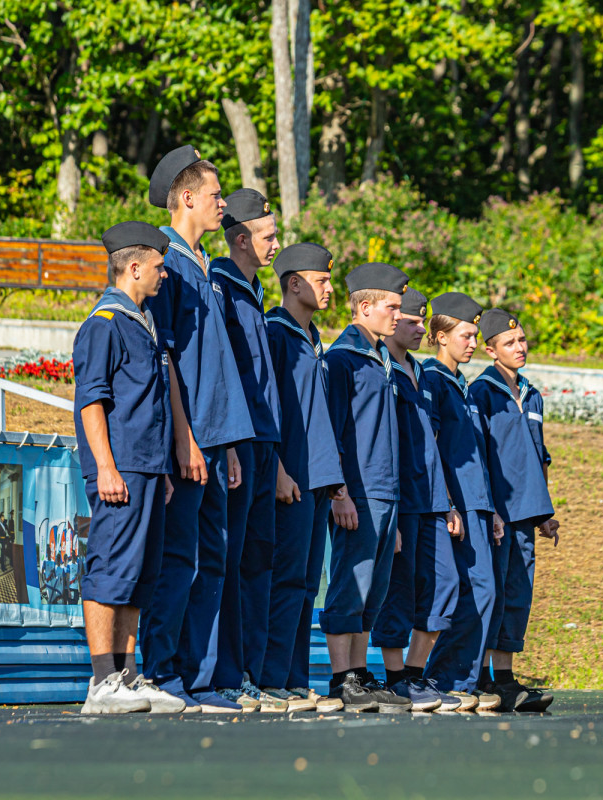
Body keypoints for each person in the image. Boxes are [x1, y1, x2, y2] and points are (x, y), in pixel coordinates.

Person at [140, 145, 254, 714]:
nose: (222, 203)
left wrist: (228, 443)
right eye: (215, 195)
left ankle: (201, 679)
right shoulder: (169, 263)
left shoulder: (204, 264)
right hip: (187, 445)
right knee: (178, 559)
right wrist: (185, 439)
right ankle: (162, 674)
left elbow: (216, 368)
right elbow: (167, 361)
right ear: (186, 198)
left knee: (212, 559)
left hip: (215, 441)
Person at [73, 220, 182, 714]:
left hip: (146, 469)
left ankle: (127, 674)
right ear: (134, 267)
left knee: (139, 575)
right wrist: (107, 467)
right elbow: (91, 403)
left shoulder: (143, 323)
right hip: (119, 469)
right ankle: (101, 681)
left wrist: (159, 472)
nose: (164, 276)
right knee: (110, 570)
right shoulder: (105, 324)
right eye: (159, 267)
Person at [322, 262, 413, 713]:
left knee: (372, 591)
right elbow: (332, 429)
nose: (398, 315)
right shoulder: (342, 358)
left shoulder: (379, 359)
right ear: (363, 307)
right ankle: (341, 678)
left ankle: (358, 674)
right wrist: (340, 493)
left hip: (385, 491)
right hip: (358, 491)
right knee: (350, 584)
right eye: (391, 307)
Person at [208, 189, 285, 713]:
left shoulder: (253, 291)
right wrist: (234, 443)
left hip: (262, 444)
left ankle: (251, 672)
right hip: (237, 443)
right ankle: (225, 673)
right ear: (240, 239)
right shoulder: (220, 285)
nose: (277, 244)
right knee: (229, 562)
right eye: (268, 236)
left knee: (258, 561)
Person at [371, 288, 465, 713]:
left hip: (430, 498)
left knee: (445, 584)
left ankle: (414, 673)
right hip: (399, 496)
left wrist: (446, 501)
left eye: (421, 319)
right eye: (410, 319)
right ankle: (396, 679)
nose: (418, 327)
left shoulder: (422, 373)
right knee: (399, 590)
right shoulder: (383, 368)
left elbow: (434, 444)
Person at [261, 243, 345, 713]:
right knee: (285, 578)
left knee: (306, 584)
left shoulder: (310, 338)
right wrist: (277, 469)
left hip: (316, 481)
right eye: (322, 280)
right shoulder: (276, 333)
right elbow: (267, 410)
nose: (330, 288)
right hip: (290, 477)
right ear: (294, 283)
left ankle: (293, 679)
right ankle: (273, 679)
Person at [471, 309, 560, 712]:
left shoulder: (532, 392)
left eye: (522, 340)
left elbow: (538, 457)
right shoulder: (482, 393)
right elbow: (478, 457)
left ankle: (505, 679)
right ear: (490, 350)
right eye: (509, 343)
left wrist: (545, 511)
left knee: (517, 596)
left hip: (527, 512)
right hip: (498, 516)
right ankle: (480, 677)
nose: (520, 347)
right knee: (493, 593)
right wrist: (489, 510)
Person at [422, 292, 502, 712]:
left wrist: (491, 510)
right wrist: (449, 501)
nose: (473, 342)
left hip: (478, 503)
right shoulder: (433, 380)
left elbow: (473, 453)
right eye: (465, 335)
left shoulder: (461, 384)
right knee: (471, 591)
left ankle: (459, 679)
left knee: (483, 591)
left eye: (474, 335)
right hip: (457, 504)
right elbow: (433, 446)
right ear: (439, 336)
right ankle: (444, 678)